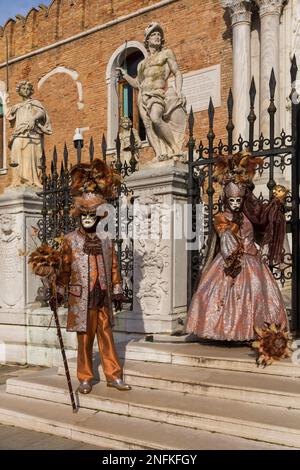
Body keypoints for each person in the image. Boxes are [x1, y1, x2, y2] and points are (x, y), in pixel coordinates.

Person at [186, 151, 289, 342]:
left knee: (256, 295)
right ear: (226, 199)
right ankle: (225, 332)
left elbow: (265, 221)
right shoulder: (221, 217)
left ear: (243, 199)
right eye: (231, 200)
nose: (235, 204)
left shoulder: (250, 215)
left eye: (238, 200)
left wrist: (277, 203)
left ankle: (253, 331)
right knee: (220, 295)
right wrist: (233, 256)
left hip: (253, 262)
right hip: (229, 263)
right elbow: (226, 241)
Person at [53, 159, 131, 394]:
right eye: (84, 217)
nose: (87, 220)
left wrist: (117, 289)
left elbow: (114, 266)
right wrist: (57, 289)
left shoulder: (106, 239)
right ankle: (85, 377)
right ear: (79, 217)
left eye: (91, 217)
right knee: (85, 339)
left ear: (98, 217)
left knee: (107, 336)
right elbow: (64, 268)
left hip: (103, 295)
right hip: (81, 296)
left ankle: (113, 375)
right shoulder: (70, 240)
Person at [116, 22, 186, 161]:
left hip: (157, 93)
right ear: (147, 40)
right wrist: (125, 75)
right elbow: (137, 83)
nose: (157, 36)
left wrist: (179, 91)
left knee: (155, 118)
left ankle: (175, 148)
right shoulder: (142, 64)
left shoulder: (166, 53)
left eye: (159, 34)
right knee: (148, 125)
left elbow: (177, 72)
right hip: (143, 96)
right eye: (153, 34)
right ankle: (160, 153)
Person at [6, 80, 52, 187]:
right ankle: (17, 182)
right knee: (16, 157)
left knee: (31, 158)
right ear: (20, 91)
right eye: (24, 88)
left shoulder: (35, 103)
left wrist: (33, 118)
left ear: (31, 91)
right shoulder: (17, 106)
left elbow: (42, 113)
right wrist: (5, 103)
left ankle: (32, 181)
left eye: (28, 89)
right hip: (18, 134)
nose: (26, 90)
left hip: (31, 135)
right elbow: (8, 115)